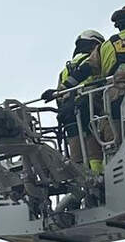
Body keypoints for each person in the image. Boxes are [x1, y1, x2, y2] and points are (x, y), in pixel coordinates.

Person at [43, 29, 106, 174]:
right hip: (90, 109)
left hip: (69, 114)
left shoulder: (65, 70)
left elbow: (59, 95)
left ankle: (80, 176)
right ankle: (99, 175)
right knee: (94, 149)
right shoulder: (93, 62)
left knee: (76, 152)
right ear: (94, 45)